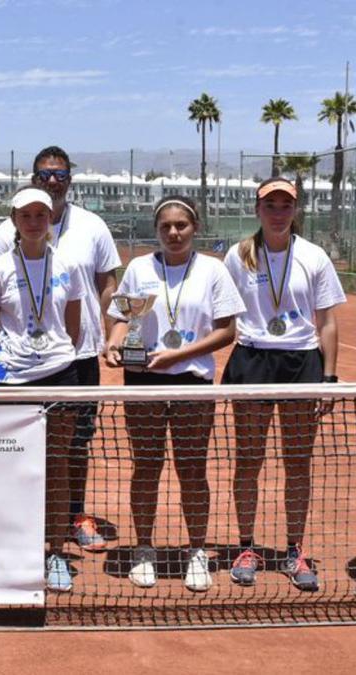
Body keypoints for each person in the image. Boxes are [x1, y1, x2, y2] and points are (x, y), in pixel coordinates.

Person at [0, 146, 120, 553]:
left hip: (76, 357)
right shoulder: (5, 236)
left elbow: (107, 282)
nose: (53, 181)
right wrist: (3, 365)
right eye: (45, 175)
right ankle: (21, 524)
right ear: (34, 178)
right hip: (20, 368)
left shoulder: (93, 225)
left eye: (60, 174)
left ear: (69, 178)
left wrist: (109, 335)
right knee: (17, 448)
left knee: (76, 445)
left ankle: (74, 516)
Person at [104, 195, 243, 592]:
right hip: (144, 379)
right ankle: (144, 549)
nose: (173, 232)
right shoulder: (139, 268)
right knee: (146, 467)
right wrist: (115, 344)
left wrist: (178, 354)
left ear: (195, 227)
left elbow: (227, 331)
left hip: (192, 380)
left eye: (181, 225)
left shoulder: (213, 271)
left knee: (192, 471)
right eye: (165, 226)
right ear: (156, 230)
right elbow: (121, 317)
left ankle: (196, 551)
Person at [221, 177, 344, 593]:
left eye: (285, 205)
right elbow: (221, 314)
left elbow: (326, 322)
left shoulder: (313, 256)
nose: (277, 212)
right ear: (257, 209)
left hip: (301, 362)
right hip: (252, 359)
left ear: (296, 210)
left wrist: (328, 376)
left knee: (297, 462)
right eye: (270, 204)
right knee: (248, 459)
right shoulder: (238, 256)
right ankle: (245, 548)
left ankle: (294, 550)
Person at [0, 187, 83, 593]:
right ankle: (14, 550)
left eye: (42, 214)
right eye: (27, 215)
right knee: (10, 469)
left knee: (57, 468)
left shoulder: (67, 265)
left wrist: (55, 358)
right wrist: (4, 369)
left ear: (50, 219)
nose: (35, 221)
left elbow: (72, 327)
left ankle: (55, 552)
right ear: (14, 220)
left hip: (60, 374)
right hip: (11, 381)